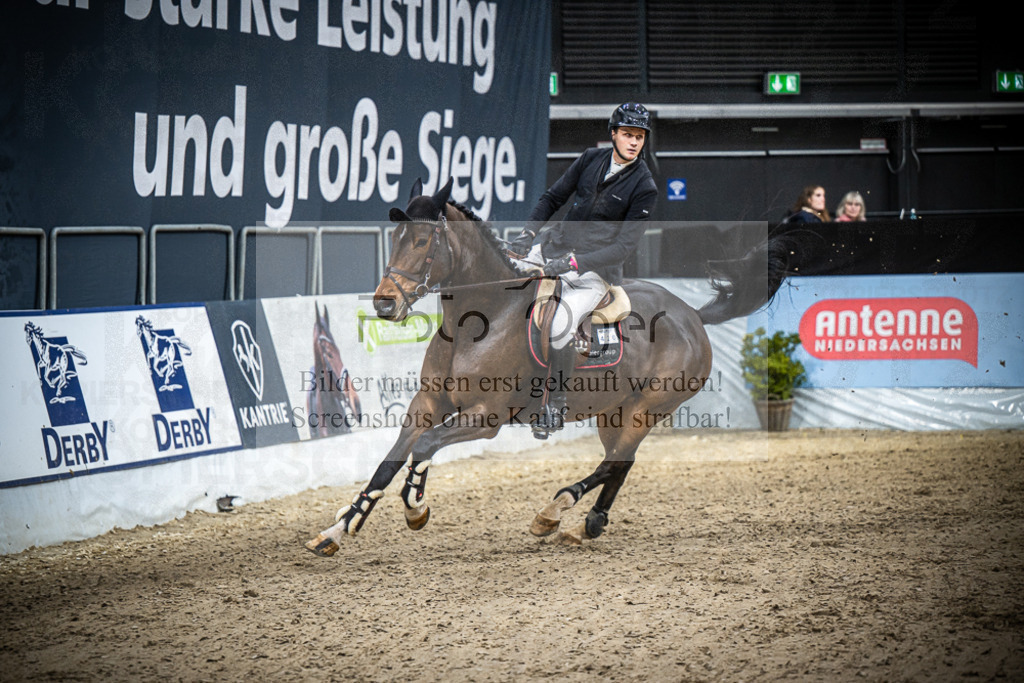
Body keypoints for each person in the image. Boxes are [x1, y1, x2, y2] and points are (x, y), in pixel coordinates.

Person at [508, 102, 657, 436]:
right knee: (505, 278)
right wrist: (527, 234)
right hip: (552, 248)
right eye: (628, 134)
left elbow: (624, 247)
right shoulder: (591, 159)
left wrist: (575, 264)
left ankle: (555, 406)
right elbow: (552, 198)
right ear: (614, 134)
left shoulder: (645, 186)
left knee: (559, 326)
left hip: (593, 273)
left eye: (639, 137)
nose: (634, 142)